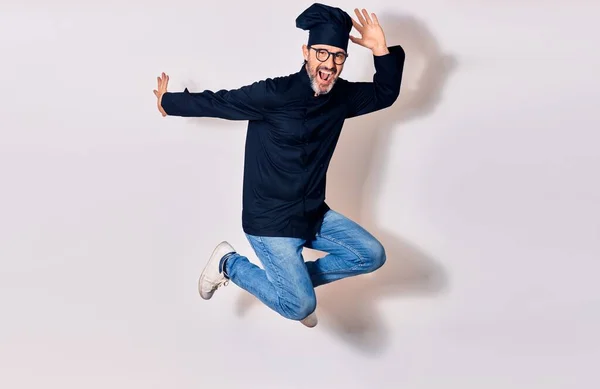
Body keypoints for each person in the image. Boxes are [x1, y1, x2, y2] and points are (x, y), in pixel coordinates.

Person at [153, 3, 405, 328]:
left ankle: (291, 286)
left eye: (338, 56)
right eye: (322, 54)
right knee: (299, 306)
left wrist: (380, 50)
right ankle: (228, 263)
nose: (329, 64)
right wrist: (168, 102)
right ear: (306, 51)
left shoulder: (341, 97)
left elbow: (385, 93)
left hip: (312, 213)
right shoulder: (274, 93)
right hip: (269, 220)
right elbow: (221, 102)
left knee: (371, 255)